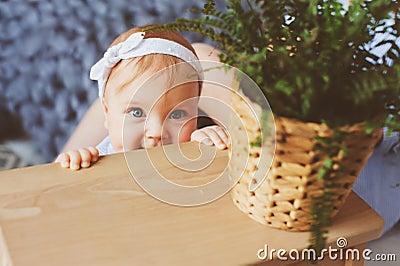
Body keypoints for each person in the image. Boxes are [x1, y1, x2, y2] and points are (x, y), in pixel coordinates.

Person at [56, 26, 230, 170]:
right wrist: (73, 163)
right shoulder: (98, 158)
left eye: (177, 115)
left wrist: (212, 146)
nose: (156, 133)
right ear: (107, 115)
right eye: (137, 112)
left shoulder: (190, 149)